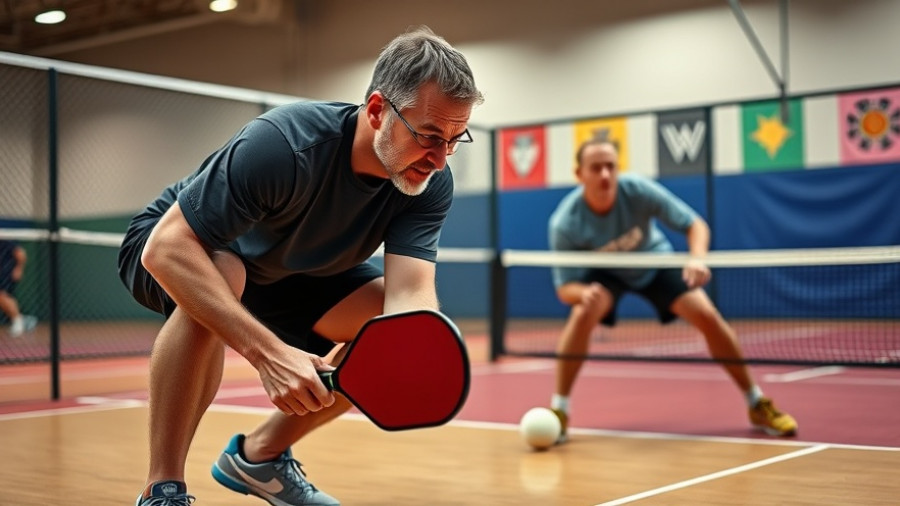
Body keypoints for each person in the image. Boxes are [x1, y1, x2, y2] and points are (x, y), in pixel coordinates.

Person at [118, 26, 483, 506]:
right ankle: (162, 488)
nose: (440, 158)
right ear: (377, 111)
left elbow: (409, 295)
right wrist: (269, 354)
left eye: (456, 140)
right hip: (178, 246)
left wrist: (404, 353)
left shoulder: (429, 183)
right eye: (429, 136)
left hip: (291, 276)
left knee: (383, 335)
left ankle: (259, 458)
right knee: (226, 274)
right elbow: (165, 250)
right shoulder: (284, 147)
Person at [546, 139, 797, 443]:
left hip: (654, 262)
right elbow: (565, 288)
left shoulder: (637, 190)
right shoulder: (565, 223)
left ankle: (756, 402)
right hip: (606, 274)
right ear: (579, 174)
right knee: (582, 313)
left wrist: (697, 258)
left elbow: (695, 225)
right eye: (596, 168)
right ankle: (559, 409)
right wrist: (582, 295)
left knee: (707, 315)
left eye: (610, 166)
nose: (605, 175)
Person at [0, 240, 38, 338]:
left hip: (6, 273)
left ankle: (18, 322)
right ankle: (22, 320)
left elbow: (20, 253)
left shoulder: (5, 239)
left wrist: (19, 269)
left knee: (3, 295)